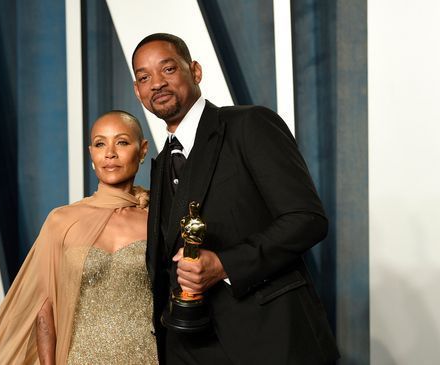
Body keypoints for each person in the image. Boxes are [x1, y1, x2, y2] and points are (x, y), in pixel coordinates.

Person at [132, 33, 339, 364]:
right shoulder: (161, 164)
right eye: (144, 77)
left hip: (269, 342)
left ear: (195, 71)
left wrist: (225, 265)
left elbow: (306, 219)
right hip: (189, 345)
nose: (156, 83)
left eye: (168, 69)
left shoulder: (249, 124)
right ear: (137, 91)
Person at [0, 111, 157, 364]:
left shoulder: (157, 220)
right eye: (100, 144)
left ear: (142, 150)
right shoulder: (62, 221)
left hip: (147, 356)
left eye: (121, 142)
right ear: (91, 154)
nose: (110, 153)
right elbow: (44, 310)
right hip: (78, 358)